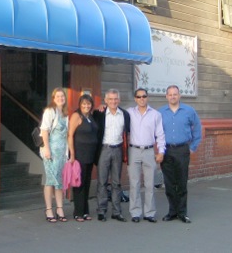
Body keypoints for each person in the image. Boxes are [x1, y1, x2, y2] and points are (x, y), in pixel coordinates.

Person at [158, 85, 202, 224]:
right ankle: (172, 211)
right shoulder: (160, 112)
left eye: (175, 94)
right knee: (169, 183)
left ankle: (182, 212)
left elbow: (198, 129)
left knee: (181, 182)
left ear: (179, 95)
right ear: (166, 96)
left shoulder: (189, 111)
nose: (172, 97)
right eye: (170, 94)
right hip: (167, 150)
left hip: (183, 149)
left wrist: (193, 147)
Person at [127, 88, 166, 223]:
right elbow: (115, 112)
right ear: (135, 99)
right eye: (139, 97)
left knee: (150, 184)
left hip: (149, 151)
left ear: (147, 98)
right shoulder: (129, 113)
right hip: (134, 151)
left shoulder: (155, 114)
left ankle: (149, 213)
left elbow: (160, 134)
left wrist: (161, 151)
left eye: (144, 96)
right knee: (134, 183)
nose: (141, 99)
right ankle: (135, 212)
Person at [93, 89, 130, 222]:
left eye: (115, 99)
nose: (113, 101)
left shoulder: (124, 114)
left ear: (119, 100)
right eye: (110, 99)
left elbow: (128, 132)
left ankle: (116, 211)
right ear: (106, 100)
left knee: (116, 182)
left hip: (118, 149)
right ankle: (101, 211)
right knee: (102, 181)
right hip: (104, 149)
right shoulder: (99, 113)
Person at [68, 94, 98, 222]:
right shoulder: (77, 116)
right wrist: (72, 155)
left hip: (90, 155)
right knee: (79, 184)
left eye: (89, 104)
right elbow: (70, 135)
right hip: (80, 154)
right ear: (80, 105)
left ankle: (85, 211)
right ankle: (78, 212)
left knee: (86, 183)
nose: (86, 106)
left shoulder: (90, 116)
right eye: (84, 104)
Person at [40, 87, 69, 223]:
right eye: (58, 96)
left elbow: (67, 136)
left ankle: (59, 208)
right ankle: (48, 209)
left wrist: (67, 153)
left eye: (62, 96)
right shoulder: (49, 111)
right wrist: (47, 149)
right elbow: (44, 131)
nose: (60, 98)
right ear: (53, 98)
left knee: (59, 182)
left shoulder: (65, 113)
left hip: (61, 152)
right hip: (50, 151)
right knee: (51, 180)